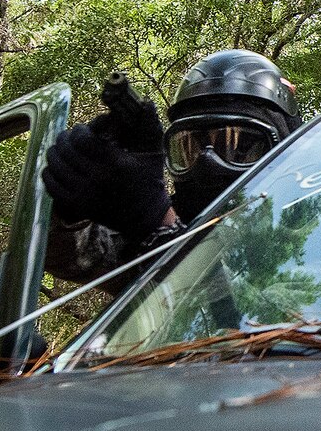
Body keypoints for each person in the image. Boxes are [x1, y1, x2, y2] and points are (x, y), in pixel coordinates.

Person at [43, 50, 301, 292]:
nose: (207, 164)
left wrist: (161, 228)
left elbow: (241, 311)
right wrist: (74, 206)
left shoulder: (306, 228)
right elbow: (70, 257)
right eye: (190, 148)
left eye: (238, 148)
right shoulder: (168, 222)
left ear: (282, 151)